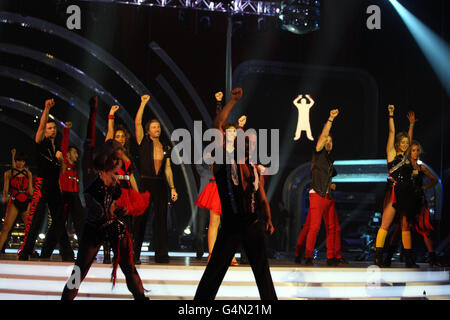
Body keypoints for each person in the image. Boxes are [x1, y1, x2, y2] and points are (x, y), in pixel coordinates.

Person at [194, 88, 277, 300]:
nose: (249, 147)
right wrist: (232, 101)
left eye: (252, 145)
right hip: (231, 225)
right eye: (246, 143)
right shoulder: (223, 161)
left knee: (262, 271)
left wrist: (267, 218)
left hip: (251, 223)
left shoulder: (254, 169)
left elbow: (262, 198)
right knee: (215, 271)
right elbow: (216, 126)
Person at [61, 140, 148, 300]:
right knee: (78, 272)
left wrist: (123, 210)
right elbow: (90, 197)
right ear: (106, 156)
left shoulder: (115, 177)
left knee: (129, 268)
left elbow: (113, 204)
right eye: (115, 158)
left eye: (120, 159)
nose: (117, 162)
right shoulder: (92, 171)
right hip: (94, 228)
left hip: (114, 226)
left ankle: (142, 298)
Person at [18, 99, 74, 261]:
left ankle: (68, 254)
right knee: (36, 220)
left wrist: (62, 159)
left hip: (54, 186)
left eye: (54, 128)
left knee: (59, 220)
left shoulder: (55, 147)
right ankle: (25, 252)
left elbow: (62, 171)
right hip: (42, 184)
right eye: (50, 128)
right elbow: (41, 126)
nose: (52, 130)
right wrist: (46, 109)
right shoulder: (40, 142)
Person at [194, 91, 240, 266]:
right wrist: (223, 103)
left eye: (234, 133)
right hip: (217, 187)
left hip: (231, 189)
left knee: (231, 225)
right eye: (229, 132)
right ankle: (212, 254)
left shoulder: (237, 151)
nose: (232, 135)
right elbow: (218, 121)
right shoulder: (218, 144)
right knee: (214, 222)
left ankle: (231, 255)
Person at [294, 109, 343, 266]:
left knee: (332, 227)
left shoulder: (328, 159)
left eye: (331, 141)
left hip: (328, 196)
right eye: (326, 140)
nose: (328, 142)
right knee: (314, 227)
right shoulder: (319, 153)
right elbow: (322, 138)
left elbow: (326, 175)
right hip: (317, 195)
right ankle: (307, 256)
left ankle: (332, 257)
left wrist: (331, 184)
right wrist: (330, 119)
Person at [133, 94, 178, 264]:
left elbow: (167, 169)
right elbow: (137, 122)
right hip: (146, 182)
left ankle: (161, 255)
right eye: (154, 127)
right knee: (140, 220)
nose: (157, 129)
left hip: (160, 185)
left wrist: (172, 187)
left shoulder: (165, 146)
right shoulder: (142, 142)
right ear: (148, 130)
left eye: (158, 126)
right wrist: (143, 103)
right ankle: (134, 254)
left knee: (161, 220)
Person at [374, 105, 419, 268]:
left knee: (405, 225)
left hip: (405, 193)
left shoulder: (408, 156)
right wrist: (391, 115)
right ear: (398, 143)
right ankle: (378, 257)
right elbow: (392, 133)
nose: (406, 144)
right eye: (403, 142)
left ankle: (408, 258)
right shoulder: (392, 153)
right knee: (385, 224)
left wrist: (411, 125)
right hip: (393, 191)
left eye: (407, 142)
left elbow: (411, 137)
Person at [383, 140, 442, 267]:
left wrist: (424, 188)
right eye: (413, 150)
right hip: (405, 200)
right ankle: (389, 257)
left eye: (417, 150)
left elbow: (434, 179)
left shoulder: (421, 167)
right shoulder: (405, 165)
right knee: (399, 229)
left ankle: (432, 258)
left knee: (424, 229)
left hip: (418, 201)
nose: (415, 153)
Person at [0, 150, 33, 252]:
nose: (20, 163)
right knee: (6, 228)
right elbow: (6, 189)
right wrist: (5, 196)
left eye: (22, 161)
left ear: (25, 162)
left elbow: (31, 190)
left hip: (26, 202)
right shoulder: (8, 173)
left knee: (29, 228)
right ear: (15, 161)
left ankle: (30, 250)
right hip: (15, 202)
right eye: (18, 161)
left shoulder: (28, 173)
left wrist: (34, 201)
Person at [59, 122, 85, 245]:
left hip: (75, 196)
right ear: (68, 154)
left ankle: (83, 247)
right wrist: (66, 130)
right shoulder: (64, 163)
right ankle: (47, 250)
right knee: (59, 224)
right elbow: (64, 146)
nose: (77, 155)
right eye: (75, 152)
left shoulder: (75, 168)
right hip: (65, 195)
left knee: (80, 222)